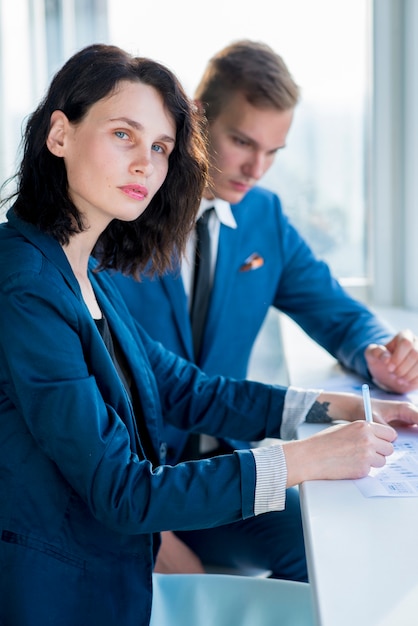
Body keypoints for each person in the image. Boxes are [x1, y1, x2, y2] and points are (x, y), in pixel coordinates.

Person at [1, 42, 417, 626]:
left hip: (125, 545)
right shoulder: (26, 284)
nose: (145, 163)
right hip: (71, 586)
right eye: (123, 134)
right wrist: (301, 461)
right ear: (60, 134)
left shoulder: (81, 266)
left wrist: (343, 407)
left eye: (160, 147)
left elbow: (184, 390)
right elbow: (122, 490)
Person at [111, 39, 418, 579]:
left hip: (225, 467)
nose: (257, 168)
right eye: (242, 142)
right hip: (134, 493)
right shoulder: (118, 216)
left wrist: (378, 350)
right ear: (196, 120)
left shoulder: (261, 216)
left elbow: (336, 310)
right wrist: (153, 543)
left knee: (329, 552)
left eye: (274, 151)